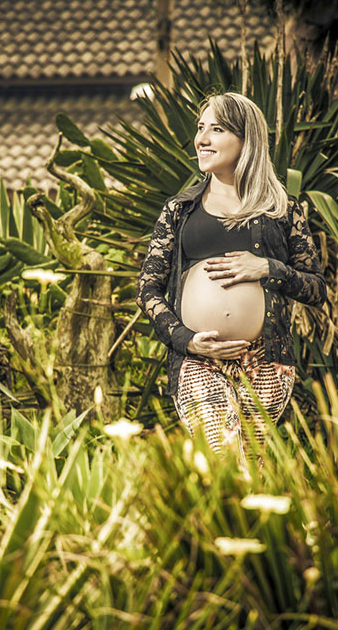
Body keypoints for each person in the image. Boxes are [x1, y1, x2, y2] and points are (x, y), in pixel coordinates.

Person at [136, 92, 327, 467]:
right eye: (200, 128)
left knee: (251, 468)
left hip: (266, 362)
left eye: (217, 129)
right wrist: (186, 340)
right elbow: (147, 289)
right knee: (223, 456)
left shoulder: (282, 210)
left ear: (246, 139)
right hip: (199, 360)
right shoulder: (180, 210)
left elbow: (316, 288)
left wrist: (268, 268)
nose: (202, 139)